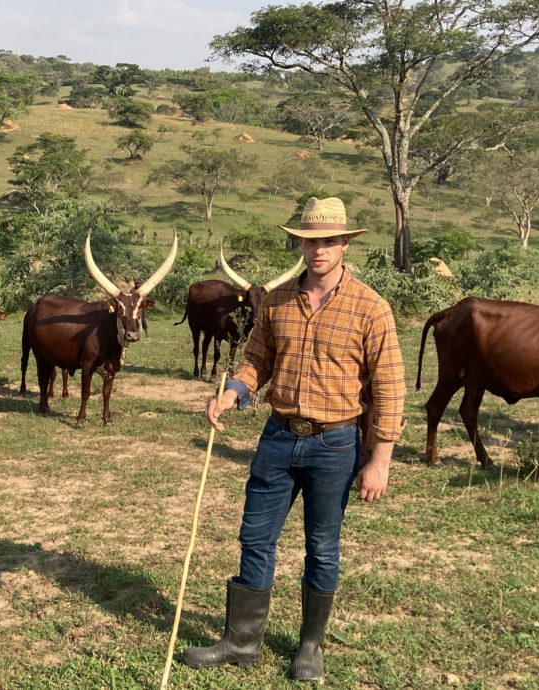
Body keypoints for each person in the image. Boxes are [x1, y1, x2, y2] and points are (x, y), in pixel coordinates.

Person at [181, 196, 406, 682]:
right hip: (279, 437)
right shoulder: (277, 302)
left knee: (322, 546)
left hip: (336, 443)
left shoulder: (372, 308)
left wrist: (380, 459)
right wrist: (234, 392)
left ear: (345, 243)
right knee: (255, 537)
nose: (318, 249)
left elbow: (389, 388)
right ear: (300, 244)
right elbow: (256, 359)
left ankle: (309, 647)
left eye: (328, 241)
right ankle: (242, 641)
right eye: (310, 241)